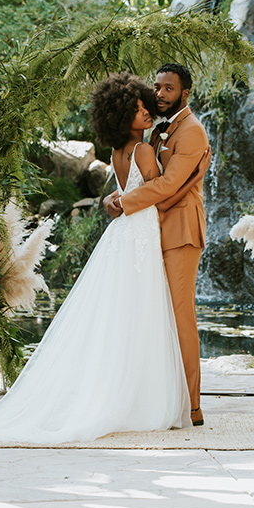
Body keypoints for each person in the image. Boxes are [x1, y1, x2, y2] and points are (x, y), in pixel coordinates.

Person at [0, 72, 191, 443]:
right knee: (142, 311)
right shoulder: (144, 150)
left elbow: (127, 189)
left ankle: (121, 394)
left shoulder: (117, 153)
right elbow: (158, 191)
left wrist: (115, 200)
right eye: (137, 110)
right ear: (121, 116)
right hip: (141, 234)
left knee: (121, 313)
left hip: (122, 233)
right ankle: (139, 399)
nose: (146, 112)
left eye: (144, 106)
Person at [104, 63, 210, 426]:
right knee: (153, 316)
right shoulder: (157, 132)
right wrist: (116, 197)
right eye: (158, 87)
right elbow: (138, 177)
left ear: (185, 93)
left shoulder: (192, 131)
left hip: (180, 231)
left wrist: (124, 203)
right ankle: (155, 397)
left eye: (169, 89)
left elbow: (168, 186)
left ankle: (191, 407)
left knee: (181, 317)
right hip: (150, 231)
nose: (161, 94)